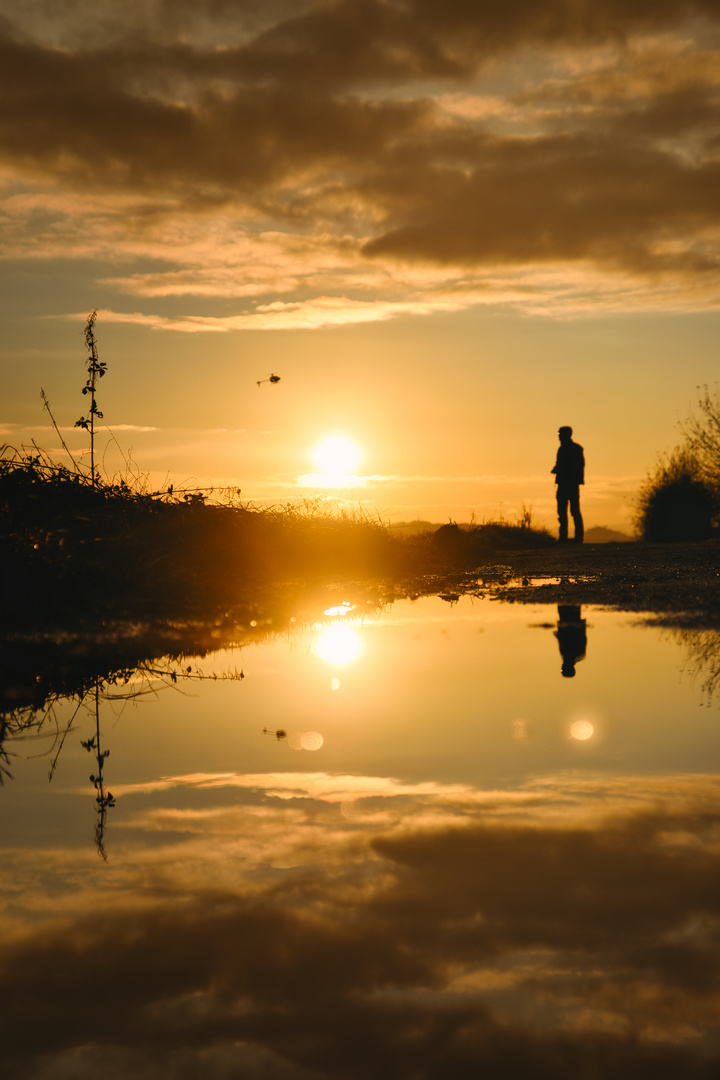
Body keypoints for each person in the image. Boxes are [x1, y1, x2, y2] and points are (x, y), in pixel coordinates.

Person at [552, 426, 584, 543]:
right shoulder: (574, 448)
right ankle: (573, 537)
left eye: (560, 434)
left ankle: (567, 537)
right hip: (570, 484)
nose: (559, 436)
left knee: (569, 511)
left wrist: (558, 469)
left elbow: (577, 466)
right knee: (568, 511)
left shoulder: (569, 449)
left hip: (568, 484)